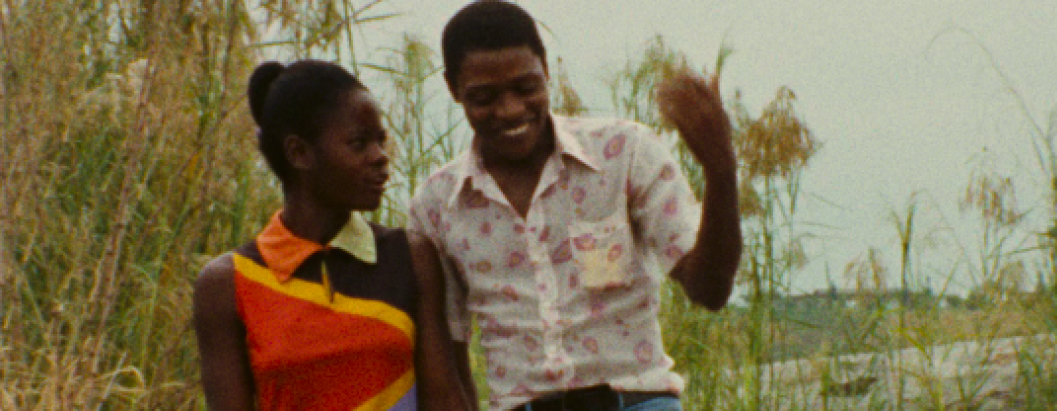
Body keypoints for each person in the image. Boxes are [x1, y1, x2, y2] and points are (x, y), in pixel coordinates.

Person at [407, 2, 743, 410]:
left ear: (546, 69)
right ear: (453, 88)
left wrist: (721, 172)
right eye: (484, 97)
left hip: (636, 402)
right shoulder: (437, 203)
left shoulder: (624, 154)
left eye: (526, 87)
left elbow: (710, 290)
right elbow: (450, 352)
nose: (510, 110)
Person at [193, 60, 473, 411]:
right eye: (358, 143)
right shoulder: (228, 285)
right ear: (299, 153)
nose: (381, 158)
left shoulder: (409, 257)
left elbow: (444, 398)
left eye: (380, 141)